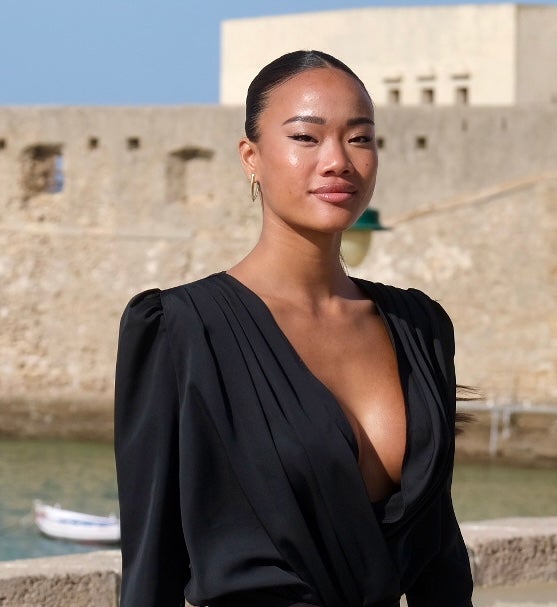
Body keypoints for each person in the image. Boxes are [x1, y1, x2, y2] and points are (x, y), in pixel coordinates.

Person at [114, 50, 473, 607]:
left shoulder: (419, 327)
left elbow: (440, 558)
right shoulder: (180, 330)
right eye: (306, 137)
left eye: (359, 138)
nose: (338, 161)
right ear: (251, 157)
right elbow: (150, 568)